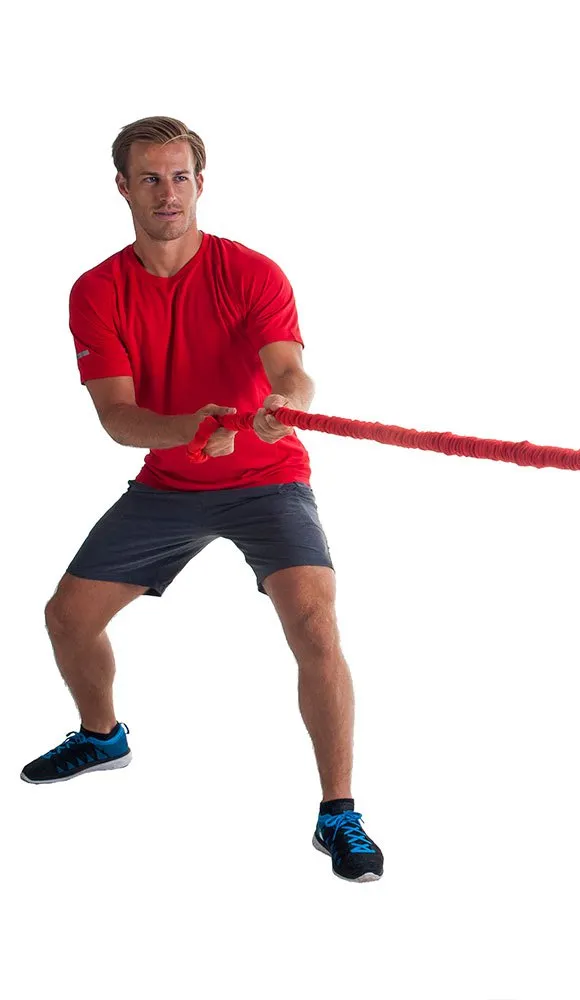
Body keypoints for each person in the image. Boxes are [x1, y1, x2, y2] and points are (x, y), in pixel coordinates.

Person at [20, 116, 383, 884]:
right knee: (66, 618)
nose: (167, 193)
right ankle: (103, 736)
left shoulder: (250, 272)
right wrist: (193, 428)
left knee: (315, 622)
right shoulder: (97, 291)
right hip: (172, 484)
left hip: (268, 479)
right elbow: (118, 418)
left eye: (180, 177)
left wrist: (286, 402)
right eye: (150, 178)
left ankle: (338, 814)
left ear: (200, 184)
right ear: (122, 187)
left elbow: (291, 371)